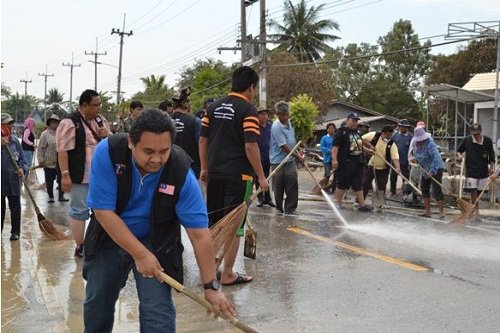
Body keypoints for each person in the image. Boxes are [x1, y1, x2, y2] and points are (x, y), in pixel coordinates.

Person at [83, 109, 235, 332]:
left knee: (157, 311)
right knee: (98, 301)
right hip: (110, 235)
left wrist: (210, 286)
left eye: (163, 151)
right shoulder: (109, 153)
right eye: (148, 151)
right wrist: (140, 254)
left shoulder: (180, 172)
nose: (156, 159)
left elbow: (199, 234)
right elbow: (103, 212)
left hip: (156, 239)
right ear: (130, 144)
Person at [200, 66, 269, 286]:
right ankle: (228, 273)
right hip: (239, 176)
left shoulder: (213, 107)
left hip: (214, 174)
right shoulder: (248, 110)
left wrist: (204, 168)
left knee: (215, 223)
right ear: (251, 87)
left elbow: (203, 141)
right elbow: (250, 146)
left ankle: (209, 270)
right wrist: (261, 176)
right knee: (234, 226)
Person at [56, 89, 110, 258]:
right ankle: (80, 246)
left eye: (100, 105)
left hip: (101, 175)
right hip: (80, 175)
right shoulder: (69, 123)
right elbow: (62, 151)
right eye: (95, 105)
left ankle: (97, 243)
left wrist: (106, 134)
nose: (98, 108)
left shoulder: (101, 120)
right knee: (79, 210)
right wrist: (65, 175)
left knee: (102, 209)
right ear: (84, 105)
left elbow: (111, 143)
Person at [331, 113, 374, 211]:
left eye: (356, 121)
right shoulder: (341, 132)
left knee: (358, 184)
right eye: (353, 120)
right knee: (342, 183)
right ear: (347, 120)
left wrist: (367, 150)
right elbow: (335, 147)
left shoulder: (356, 132)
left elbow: (358, 145)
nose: (355, 122)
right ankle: (338, 204)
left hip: (358, 162)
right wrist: (334, 160)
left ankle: (362, 205)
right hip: (345, 162)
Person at [457, 123, 496, 214]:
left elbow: (492, 156)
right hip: (471, 170)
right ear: (471, 133)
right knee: (473, 191)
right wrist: (460, 156)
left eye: (478, 133)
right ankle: (475, 211)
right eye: (474, 134)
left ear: (481, 132)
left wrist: (492, 167)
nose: (476, 136)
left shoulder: (487, 141)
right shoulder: (467, 140)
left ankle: (474, 209)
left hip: (483, 171)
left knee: (479, 192)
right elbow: (459, 151)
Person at [270, 101, 300, 214]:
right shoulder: (276, 126)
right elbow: (283, 146)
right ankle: (279, 207)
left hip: (290, 159)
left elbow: (291, 142)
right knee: (279, 184)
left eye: (287, 114)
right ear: (278, 115)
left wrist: (297, 152)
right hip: (278, 160)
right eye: (283, 115)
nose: (286, 117)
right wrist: (296, 155)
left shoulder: (289, 123)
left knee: (292, 180)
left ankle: (290, 208)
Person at [1, 113, 29, 241]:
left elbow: (23, 161)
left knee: (16, 209)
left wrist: (22, 169)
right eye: (7, 125)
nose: (10, 127)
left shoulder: (15, 142)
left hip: (13, 181)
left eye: (10, 124)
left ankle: (15, 232)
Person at [410, 127, 445, 219]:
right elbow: (417, 156)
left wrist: (432, 171)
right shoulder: (415, 144)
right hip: (424, 169)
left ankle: (441, 212)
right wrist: (416, 160)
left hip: (436, 168)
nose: (420, 142)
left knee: (436, 189)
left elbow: (436, 158)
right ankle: (427, 212)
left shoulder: (430, 144)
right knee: (424, 189)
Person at [362, 125, 400, 199]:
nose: (389, 137)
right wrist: (370, 146)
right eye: (387, 135)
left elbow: (395, 157)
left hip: (383, 169)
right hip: (371, 165)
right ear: (383, 133)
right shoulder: (374, 135)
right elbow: (361, 139)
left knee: (381, 187)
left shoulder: (392, 144)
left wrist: (397, 167)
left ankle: (378, 204)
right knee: (365, 184)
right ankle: (360, 201)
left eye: (390, 135)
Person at [37, 114, 68, 203]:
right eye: (53, 123)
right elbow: (40, 148)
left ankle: (61, 196)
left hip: (60, 162)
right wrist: (41, 160)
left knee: (61, 179)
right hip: (48, 162)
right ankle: (51, 196)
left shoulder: (62, 134)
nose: (55, 125)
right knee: (49, 180)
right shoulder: (45, 134)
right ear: (49, 124)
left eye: (56, 123)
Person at [171, 87, 201, 178]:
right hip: (192, 170)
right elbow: (201, 144)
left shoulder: (165, 122)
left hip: (170, 170)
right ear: (186, 104)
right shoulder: (195, 121)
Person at [256, 107, 275, 207]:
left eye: (265, 114)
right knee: (258, 178)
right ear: (258, 115)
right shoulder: (255, 127)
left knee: (268, 177)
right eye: (262, 114)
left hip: (269, 155)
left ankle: (268, 198)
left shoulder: (270, 126)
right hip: (258, 156)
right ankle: (260, 198)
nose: (264, 116)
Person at [390, 119, 412, 196]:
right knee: (393, 177)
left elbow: (412, 150)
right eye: (401, 126)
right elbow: (390, 146)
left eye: (404, 127)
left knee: (405, 178)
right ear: (399, 127)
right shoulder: (395, 136)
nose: (403, 128)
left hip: (405, 161)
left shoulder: (410, 137)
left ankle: (406, 193)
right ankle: (392, 192)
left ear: (407, 128)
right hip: (395, 161)